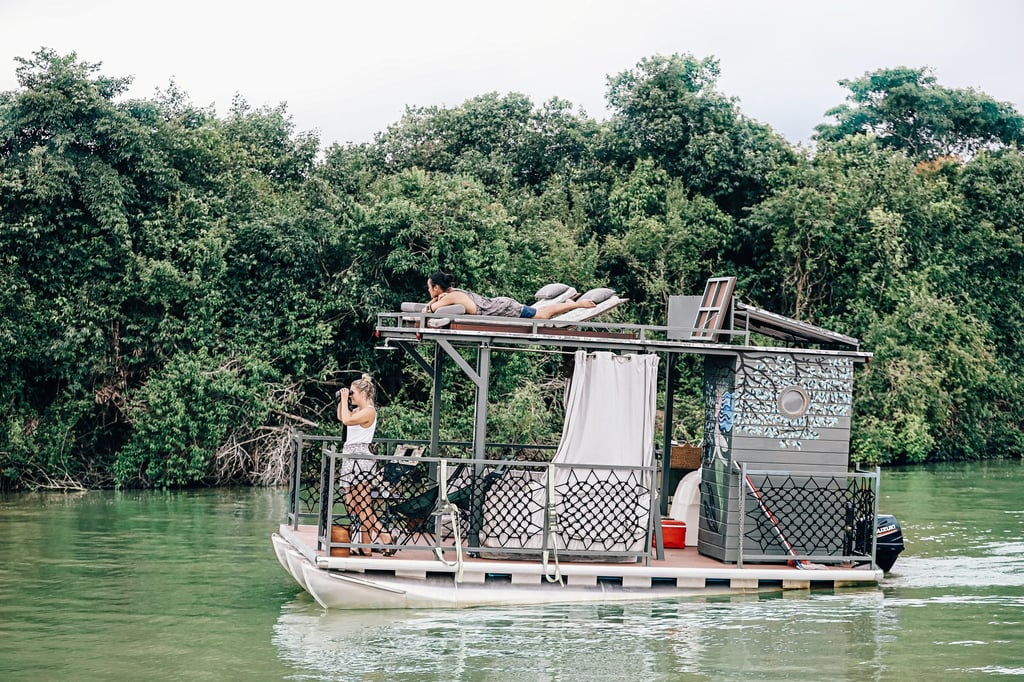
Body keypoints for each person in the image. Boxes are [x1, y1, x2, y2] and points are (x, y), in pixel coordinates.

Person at [337, 373, 394, 555]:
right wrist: (342, 399)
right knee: (353, 504)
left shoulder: (369, 411)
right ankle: (368, 545)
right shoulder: (357, 411)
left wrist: (346, 398)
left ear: (362, 393)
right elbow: (342, 417)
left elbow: (347, 420)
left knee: (362, 504)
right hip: (350, 457)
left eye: (353, 393)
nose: (351, 396)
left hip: (360, 459)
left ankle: (384, 535)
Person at [425, 271, 596, 319]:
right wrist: (436, 297)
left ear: (437, 287)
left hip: (503, 307)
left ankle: (577, 304)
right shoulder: (450, 293)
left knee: (542, 315)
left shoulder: (450, 296)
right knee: (540, 313)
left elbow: (429, 310)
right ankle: (569, 303)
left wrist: (433, 301)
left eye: (429, 288)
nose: (428, 291)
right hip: (498, 305)